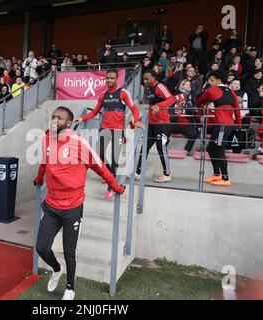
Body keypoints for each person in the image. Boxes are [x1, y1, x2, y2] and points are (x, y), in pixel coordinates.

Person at [34, 106, 126, 301]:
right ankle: (57, 270)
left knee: (69, 251)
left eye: (59, 118)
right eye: (53, 116)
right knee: (41, 247)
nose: (54, 119)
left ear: (69, 124)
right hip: (51, 205)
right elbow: (44, 162)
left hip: (72, 207)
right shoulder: (46, 139)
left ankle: (70, 287)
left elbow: (99, 166)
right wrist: (39, 178)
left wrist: (116, 186)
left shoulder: (79, 143)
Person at [74, 69, 143, 199]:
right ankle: (107, 175)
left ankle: (111, 187)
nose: (109, 80)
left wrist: (137, 121)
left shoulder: (123, 93)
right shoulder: (102, 95)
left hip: (117, 130)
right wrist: (82, 118)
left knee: (115, 160)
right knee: (98, 156)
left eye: (112, 78)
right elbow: (94, 112)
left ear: (117, 79)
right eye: (108, 78)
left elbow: (133, 108)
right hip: (104, 129)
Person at [197, 71, 241, 187]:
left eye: (211, 80)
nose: (209, 83)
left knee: (219, 149)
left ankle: (225, 179)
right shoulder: (231, 92)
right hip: (227, 125)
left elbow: (200, 100)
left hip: (222, 125)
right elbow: (237, 110)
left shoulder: (212, 90)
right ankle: (217, 175)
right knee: (211, 148)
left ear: (218, 80)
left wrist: (199, 108)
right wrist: (239, 126)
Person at [135, 69, 175, 182]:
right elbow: (151, 107)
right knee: (145, 147)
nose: (145, 80)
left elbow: (171, 99)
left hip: (162, 124)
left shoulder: (160, 86)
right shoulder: (149, 89)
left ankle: (167, 174)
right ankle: (138, 173)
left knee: (161, 148)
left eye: (147, 78)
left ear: (154, 77)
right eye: (144, 78)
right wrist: (139, 119)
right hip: (151, 124)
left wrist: (159, 105)